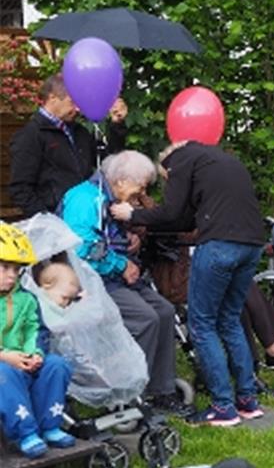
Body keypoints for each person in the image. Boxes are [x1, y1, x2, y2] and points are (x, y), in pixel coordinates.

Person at [111, 141, 267, 428]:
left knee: (202, 324)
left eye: (166, 179)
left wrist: (132, 215)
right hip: (252, 245)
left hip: (219, 245)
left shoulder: (179, 161)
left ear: (167, 165)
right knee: (230, 319)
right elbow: (183, 219)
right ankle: (247, 400)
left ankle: (223, 407)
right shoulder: (222, 161)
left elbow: (171, 212)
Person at [60, 150, 185, 415]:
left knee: (164, 311)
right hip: (90, 282)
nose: (142, 194)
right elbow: (81, 251)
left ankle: (161, 390)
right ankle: (128, 393)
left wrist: (130, 239)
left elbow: (107, 236)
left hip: (115, 277)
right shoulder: (85, 199)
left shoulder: (108, 197)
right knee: (145, 319)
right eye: (140, 187)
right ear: (121, 181)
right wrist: (120, 264)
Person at [0, 223, 74, 458]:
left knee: (56, 365)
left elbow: (36, 330)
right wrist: (5, 356)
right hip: (4, 366)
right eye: (4, 267)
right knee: (3, 372)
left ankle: (50, 426)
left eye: (16, 269)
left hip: (23, 361)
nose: (12, 276)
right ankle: (25, 433)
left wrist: (36, 354)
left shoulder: (26, 299)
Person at [8, 74, 127, 219]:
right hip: (56, 221)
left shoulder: (80, 132)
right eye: (72, 102)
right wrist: (48, 221)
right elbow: (20, 188)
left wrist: (117, 125)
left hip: (85, 217)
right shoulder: (31, 135)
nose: (77, 109)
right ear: (53, 98)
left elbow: (109, 162)